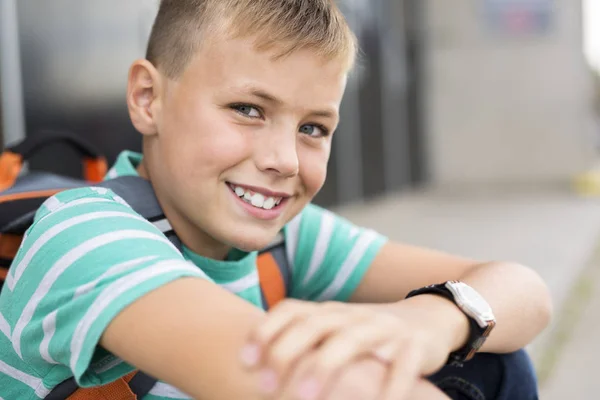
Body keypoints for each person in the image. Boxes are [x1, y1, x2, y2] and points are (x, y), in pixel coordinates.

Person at [0, 0, 552, 399]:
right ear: (148, 98)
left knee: (492, 361)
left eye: (313, 128)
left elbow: (523, 289)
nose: (285, 160)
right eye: (247, 109)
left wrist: (428, 322)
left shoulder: (290, 236)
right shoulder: (83, 237)